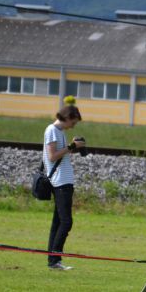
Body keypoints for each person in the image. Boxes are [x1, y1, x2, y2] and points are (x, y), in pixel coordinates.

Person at [44, 97, 86, 271]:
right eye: (73, 122)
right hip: (60, 182)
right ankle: (56, 256)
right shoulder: (52, 130)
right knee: (66, 222)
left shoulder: (59, 132)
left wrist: (74, 148)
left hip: (64, 180)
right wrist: (71, 146)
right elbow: (52, 156)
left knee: (58, 222)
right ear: (68, 117)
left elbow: (60, 155)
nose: (73, 126)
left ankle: (53, 261)